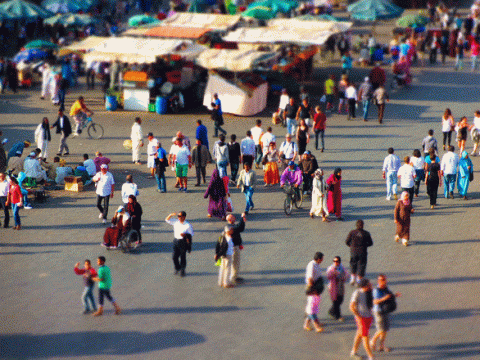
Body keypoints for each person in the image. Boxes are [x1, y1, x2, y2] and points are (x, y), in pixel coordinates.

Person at [370, 274, 401, 353]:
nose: (383, 281)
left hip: (385, 311)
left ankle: (381, 346)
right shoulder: (376, 290)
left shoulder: (386, 288)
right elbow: (374, 301)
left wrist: (395, 295)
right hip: (378, 311)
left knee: (385, 329)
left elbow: (389, 296)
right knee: (381, 329)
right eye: (381, 280)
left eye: (384, 279)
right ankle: (372, 341)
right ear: (378, 281)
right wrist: (384, 298)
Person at [350, 278, 375, 360]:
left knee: (359, 334)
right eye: (369, 284)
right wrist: (358, 316)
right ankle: (371, 357)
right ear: (365, 286)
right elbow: (351, 306)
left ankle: (353, 352)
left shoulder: (370, 292)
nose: (370, 284)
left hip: (369, 317)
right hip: (361, 318)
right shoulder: (357, 293)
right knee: (365, 336)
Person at [165, 211, 194, 277]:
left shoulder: (188, 225)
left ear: (184, 217)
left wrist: (185, 235)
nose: (178, 217)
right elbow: (167, 220)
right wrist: (170, 214)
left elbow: (191, 234)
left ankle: (182, 270)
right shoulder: (176, 222)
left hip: (183, 242)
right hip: (176, 241)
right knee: (174, 257)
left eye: (180, 216)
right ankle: (177, 268)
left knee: (182, 257)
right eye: (178, 216)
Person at [346, 219, 373, 285]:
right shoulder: (366, 233)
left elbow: (347, 241)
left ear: (356, 225)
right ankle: (359, 280)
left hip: (353, 251)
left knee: (353, 263)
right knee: (362, 265)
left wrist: (351, 246)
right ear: (363, 225)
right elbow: (370, 243)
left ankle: (352, 278)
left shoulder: (352, 232)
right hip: (362, 251)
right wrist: (365, 245)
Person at [326, 256, 348, 322]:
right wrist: (333, 273)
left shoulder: (341, 267)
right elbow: (328, 276)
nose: (335, 262)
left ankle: (331, 311)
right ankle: (338, 316)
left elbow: (346, 274)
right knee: (335, 301)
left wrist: (344, 277)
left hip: (340, 286)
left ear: (339, 262)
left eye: (337, 261)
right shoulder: (331, 268)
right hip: (333, 287)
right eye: (334, 261)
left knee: (340, 300)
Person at [226, 213, 246, 284]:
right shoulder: (230, 227)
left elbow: (240, 227)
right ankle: (233, 278)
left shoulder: (230, 226)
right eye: (232, 217)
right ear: (229, 220)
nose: (234, 218)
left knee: (235, 262)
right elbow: (240, 227)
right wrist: (242, 218)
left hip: (234, 246)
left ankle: (235, 276)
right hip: (234, 247)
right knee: (235, 262)